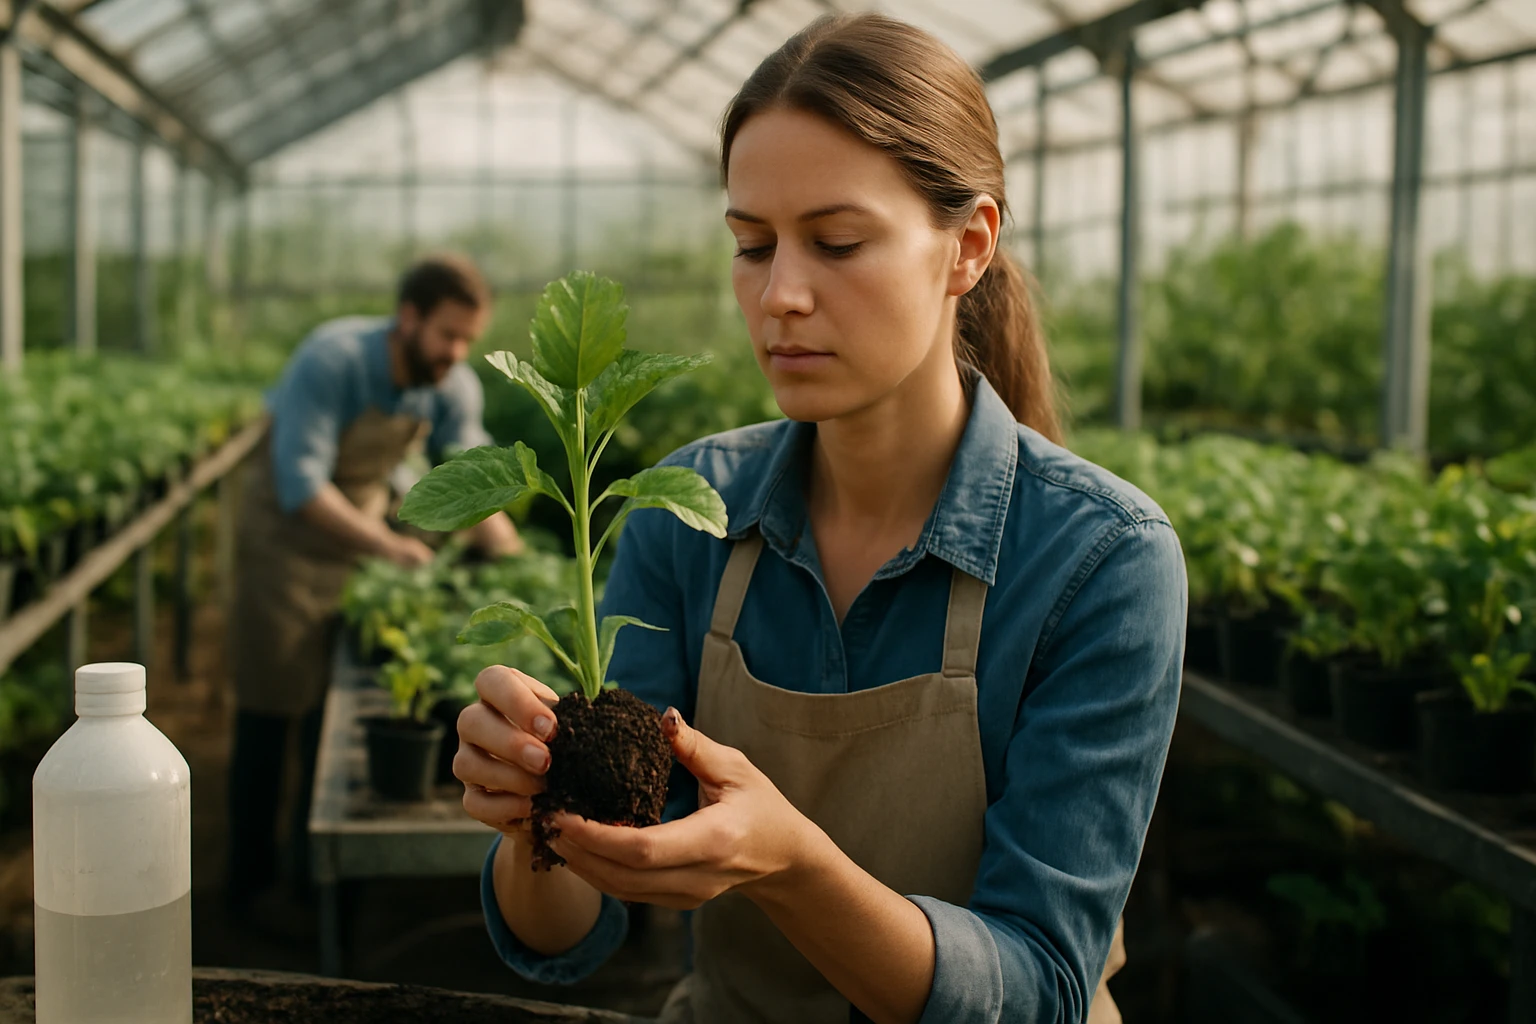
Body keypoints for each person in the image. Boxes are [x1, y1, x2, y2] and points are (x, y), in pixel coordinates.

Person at [455, 15, 1182, 1024]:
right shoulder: (688, 515)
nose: (780, 295)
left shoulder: (1099, 559)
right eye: (751, 245)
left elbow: (1043, 987)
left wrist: (794, 866)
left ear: (968, 247)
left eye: (837, 242)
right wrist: (535, 816)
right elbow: (575, 925)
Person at [226, 255, 523, 922]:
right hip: (287, 546)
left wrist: (511, 550)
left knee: (329, 713)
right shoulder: (332, 361)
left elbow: (471, 474)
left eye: (469, 339)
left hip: (359, 540)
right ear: (408, 317)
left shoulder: (449, 384)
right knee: (272, 709)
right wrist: (390, 547)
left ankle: (311, 886)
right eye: (448, 334)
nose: (457, 352)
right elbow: (301, 485)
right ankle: (247, 888)